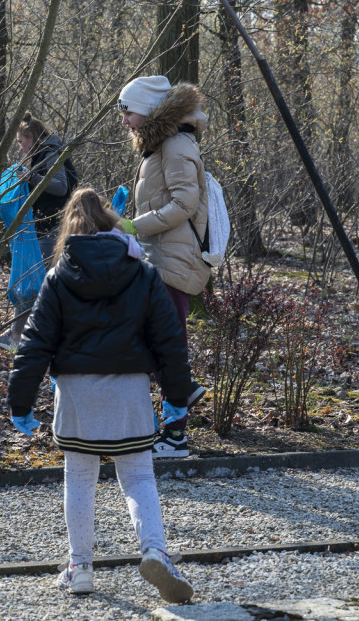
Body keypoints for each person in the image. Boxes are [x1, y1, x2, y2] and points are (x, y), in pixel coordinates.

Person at [6, 188, 195, 603]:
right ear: (111, 223)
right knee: (139, 474)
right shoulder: (142, 272)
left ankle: (80, 568)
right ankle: (154, 550)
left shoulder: (58, 277)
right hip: (128, 388)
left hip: (75, 392)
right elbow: (168, 340)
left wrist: (20, 402)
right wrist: (176, 395)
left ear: (70, 230)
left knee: (79, 477)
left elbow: (36, 343)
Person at [115, 75, 210, 459]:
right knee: (153, 340)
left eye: (128, 111)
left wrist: (137, 225)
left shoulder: (175, 145)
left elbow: (185, 204)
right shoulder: (160, 146)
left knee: (169, 346)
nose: (123, 119)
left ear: (150, 110)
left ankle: (175, 438)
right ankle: (181, 390)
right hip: (158, 256)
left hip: (175, 259)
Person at [0, 112, 76, 352]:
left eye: (20, 141)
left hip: (53, 227)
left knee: (31, 281)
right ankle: (26, 334)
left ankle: (18, 336)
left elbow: (60, 187)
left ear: (32, 137)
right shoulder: (44, 153)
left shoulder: (50, 154)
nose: (19, 147)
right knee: (37, 281)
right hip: (45, 226)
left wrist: (30, 176)